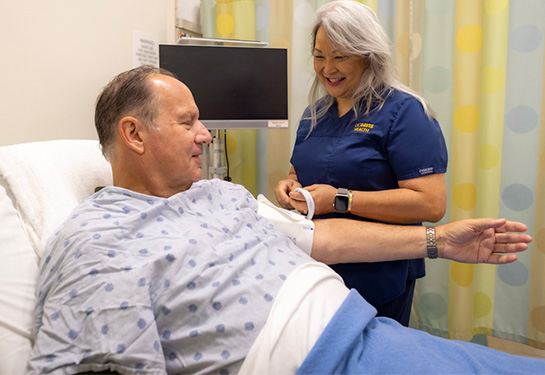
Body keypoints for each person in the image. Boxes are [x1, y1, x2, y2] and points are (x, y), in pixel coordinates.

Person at [26, 66, 538, 375]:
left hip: (370, 332)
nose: (206, 135)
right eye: (188, 122)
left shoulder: (218, 194)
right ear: (134, 135)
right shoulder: (99, 240)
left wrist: (439, 239)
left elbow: (320, 238)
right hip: (324, 361)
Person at [275, 0, 448, 326]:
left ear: (368, 55)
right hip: (317, 266)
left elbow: (431, 203)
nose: (327, 68)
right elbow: (301, 170)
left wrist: (341, 200)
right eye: (319, 55)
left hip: (379, 269)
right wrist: (290, 186)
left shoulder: (406, 112)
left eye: (340, 56)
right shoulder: (315, 113)